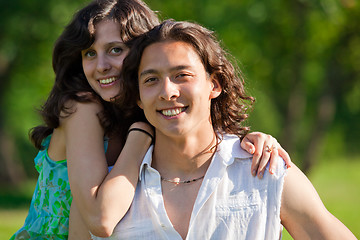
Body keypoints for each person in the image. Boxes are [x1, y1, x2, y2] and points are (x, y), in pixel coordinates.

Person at [10, 1, 291, 239]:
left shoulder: (148, 110)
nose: (101, 65)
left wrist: (252, 140)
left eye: (116, 50)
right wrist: (141, 133)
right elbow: (102, 218)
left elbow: (201, 137)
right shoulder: (83, 106)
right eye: (90, 54)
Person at [93, 19, 357, 239]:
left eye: (182, 76)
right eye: (151, 80)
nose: (167, 92)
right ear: (138, 97)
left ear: (214, 85)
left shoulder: (265, 171)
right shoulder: (116, 194)